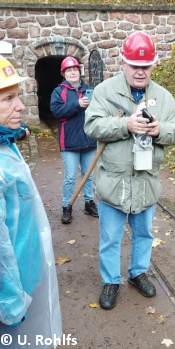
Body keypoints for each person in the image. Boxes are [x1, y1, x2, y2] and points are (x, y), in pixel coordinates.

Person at [85, 31, 175, 310]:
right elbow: (91, 126)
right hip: (113, 183)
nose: (140, 71)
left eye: (146, 66)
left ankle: (138, 273)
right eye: (134, 65)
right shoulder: (105, 92)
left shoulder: (164, 98)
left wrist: (160, 130)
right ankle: (111, 280)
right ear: (123, 63)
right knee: (110, 237)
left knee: (144, 234)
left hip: (146, 183)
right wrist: (124, 126)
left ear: (153, 65)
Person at [0, 56, 62, 346]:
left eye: (18, 96)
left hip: (27, 276)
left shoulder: (6, 144)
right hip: (14, 296)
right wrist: (11, 304)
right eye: (9, 98)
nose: (21, 106)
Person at [50, 56, 98, 224]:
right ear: (64, 74)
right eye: (69, 70)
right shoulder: (59, 91)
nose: (72, 72)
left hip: (89, 140)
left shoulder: (89, 90)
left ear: (79, 71)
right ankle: (67, 206)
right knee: (70, 177)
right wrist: (77, 104)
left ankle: (89, 202)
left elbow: (99, 111)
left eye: (75, 70)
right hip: (69, 142)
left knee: (89, 175)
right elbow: (56, 112)